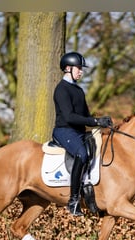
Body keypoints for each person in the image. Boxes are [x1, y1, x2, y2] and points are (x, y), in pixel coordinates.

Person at [52, 52, 112, 216]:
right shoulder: (61, 89)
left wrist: (100, 121)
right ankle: (73, 200)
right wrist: (95, 122)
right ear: (68, 68)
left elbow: (85, 117)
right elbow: (69, 116)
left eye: (81, 69)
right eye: (79, 68)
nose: (81, 72)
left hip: (79, 131)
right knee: (82, 154)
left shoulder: (78, 90)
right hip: (64, 130)